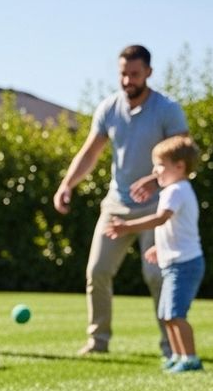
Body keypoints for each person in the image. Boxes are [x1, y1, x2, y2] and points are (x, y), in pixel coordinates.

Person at [53, 45, 189, 357]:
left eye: (135, 74)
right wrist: (67, 184)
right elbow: (90, 152)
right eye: (123, 74)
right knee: (97, 271)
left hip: (158, 207)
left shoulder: (167, 109)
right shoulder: (109, 109)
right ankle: (98, 341)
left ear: (149, 73)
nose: (128, 80)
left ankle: (171, 346)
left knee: (156, 274)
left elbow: (185, 152)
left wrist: (156, 179)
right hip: (116, 205)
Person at [105, 135, 205, 372]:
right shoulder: (179, 190)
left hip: (184, 264)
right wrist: (159, 248)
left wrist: (126, 226)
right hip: (175, 262)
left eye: (160, 165)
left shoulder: (175, 191)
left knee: (175, 314)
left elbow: (161, 219)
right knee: (167, 314)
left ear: (179, 167)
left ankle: (190, 358)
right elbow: (176, 227)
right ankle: (178, 356)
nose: (154, 171)